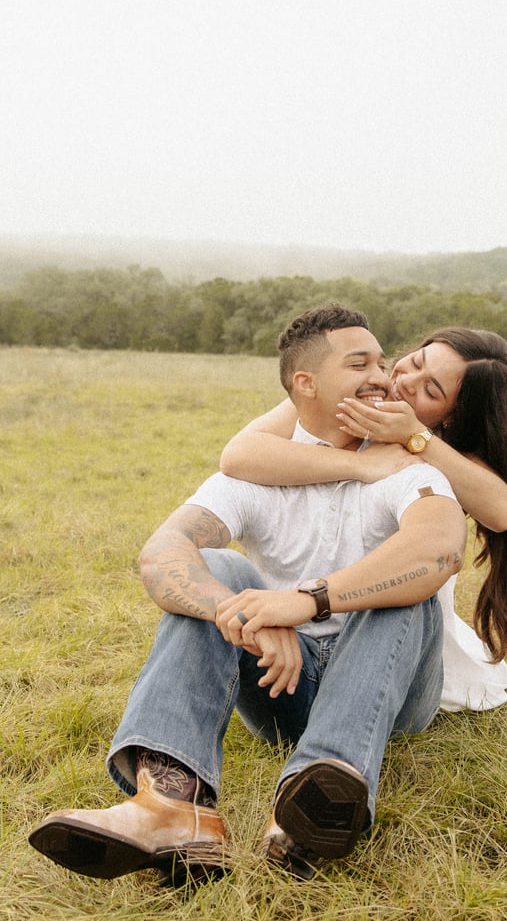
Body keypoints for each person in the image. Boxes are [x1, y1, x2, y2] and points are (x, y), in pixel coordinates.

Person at [29, 304, 467, 884]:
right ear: (304, 384)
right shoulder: (256, 473)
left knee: (405, 591)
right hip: (284, 681)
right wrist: (246, 616)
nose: (384, 377)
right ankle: (172, 804)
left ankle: (316, 799)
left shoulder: (405, 465)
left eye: (384, 363)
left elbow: (438, 548)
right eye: (360, 363)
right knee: (214, 567)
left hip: (391, 687)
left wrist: (306, 601)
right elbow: (162, 554)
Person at [219, 326, 507, 710]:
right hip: (300, 613)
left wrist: (416, 436)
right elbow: (238, 455)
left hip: (389, 622)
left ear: (452, 416)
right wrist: (358, 464)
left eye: (430, 391)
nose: (403, 382)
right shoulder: (350, 398)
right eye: (414, 362)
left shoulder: (438, 450)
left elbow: (502, 512)